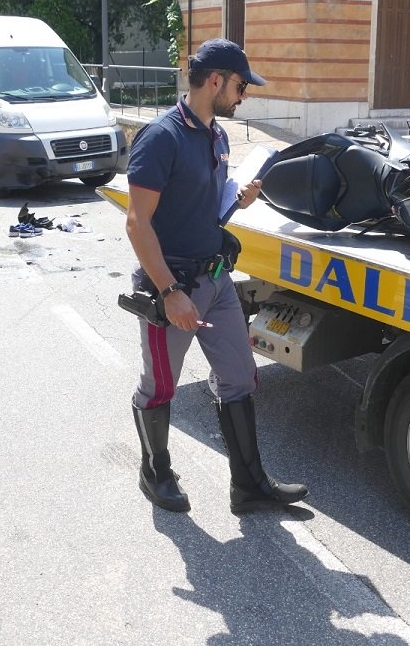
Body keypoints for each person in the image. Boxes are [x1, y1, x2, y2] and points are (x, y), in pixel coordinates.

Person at [125, 38, 308, 514]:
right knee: (159, 386)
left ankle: (249, 487)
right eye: (241, 86)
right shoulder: (161, 137)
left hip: (217, 280)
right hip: (174, 288)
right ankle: (155, 472)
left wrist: (236, 199)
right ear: (215, 81)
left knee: (239, 378)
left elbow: (204, 205)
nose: (243, 95)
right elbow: (137, 221)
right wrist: (168, 293)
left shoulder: (217, 135)